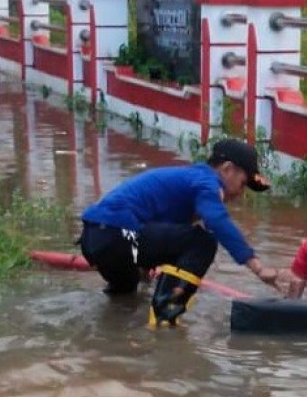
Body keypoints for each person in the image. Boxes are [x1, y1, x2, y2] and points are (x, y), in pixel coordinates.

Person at [78, 138, 278, 326]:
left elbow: (160, 231)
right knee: (203, 242)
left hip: (94, 239)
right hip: (118, 235)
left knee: (126, 296)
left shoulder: (188, 180)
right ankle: (165, 319)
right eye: (243, 184)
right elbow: (217, 221)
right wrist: (258, 267)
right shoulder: (207, 182)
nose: (240, 194)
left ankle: (111, 334)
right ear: (227, 169)